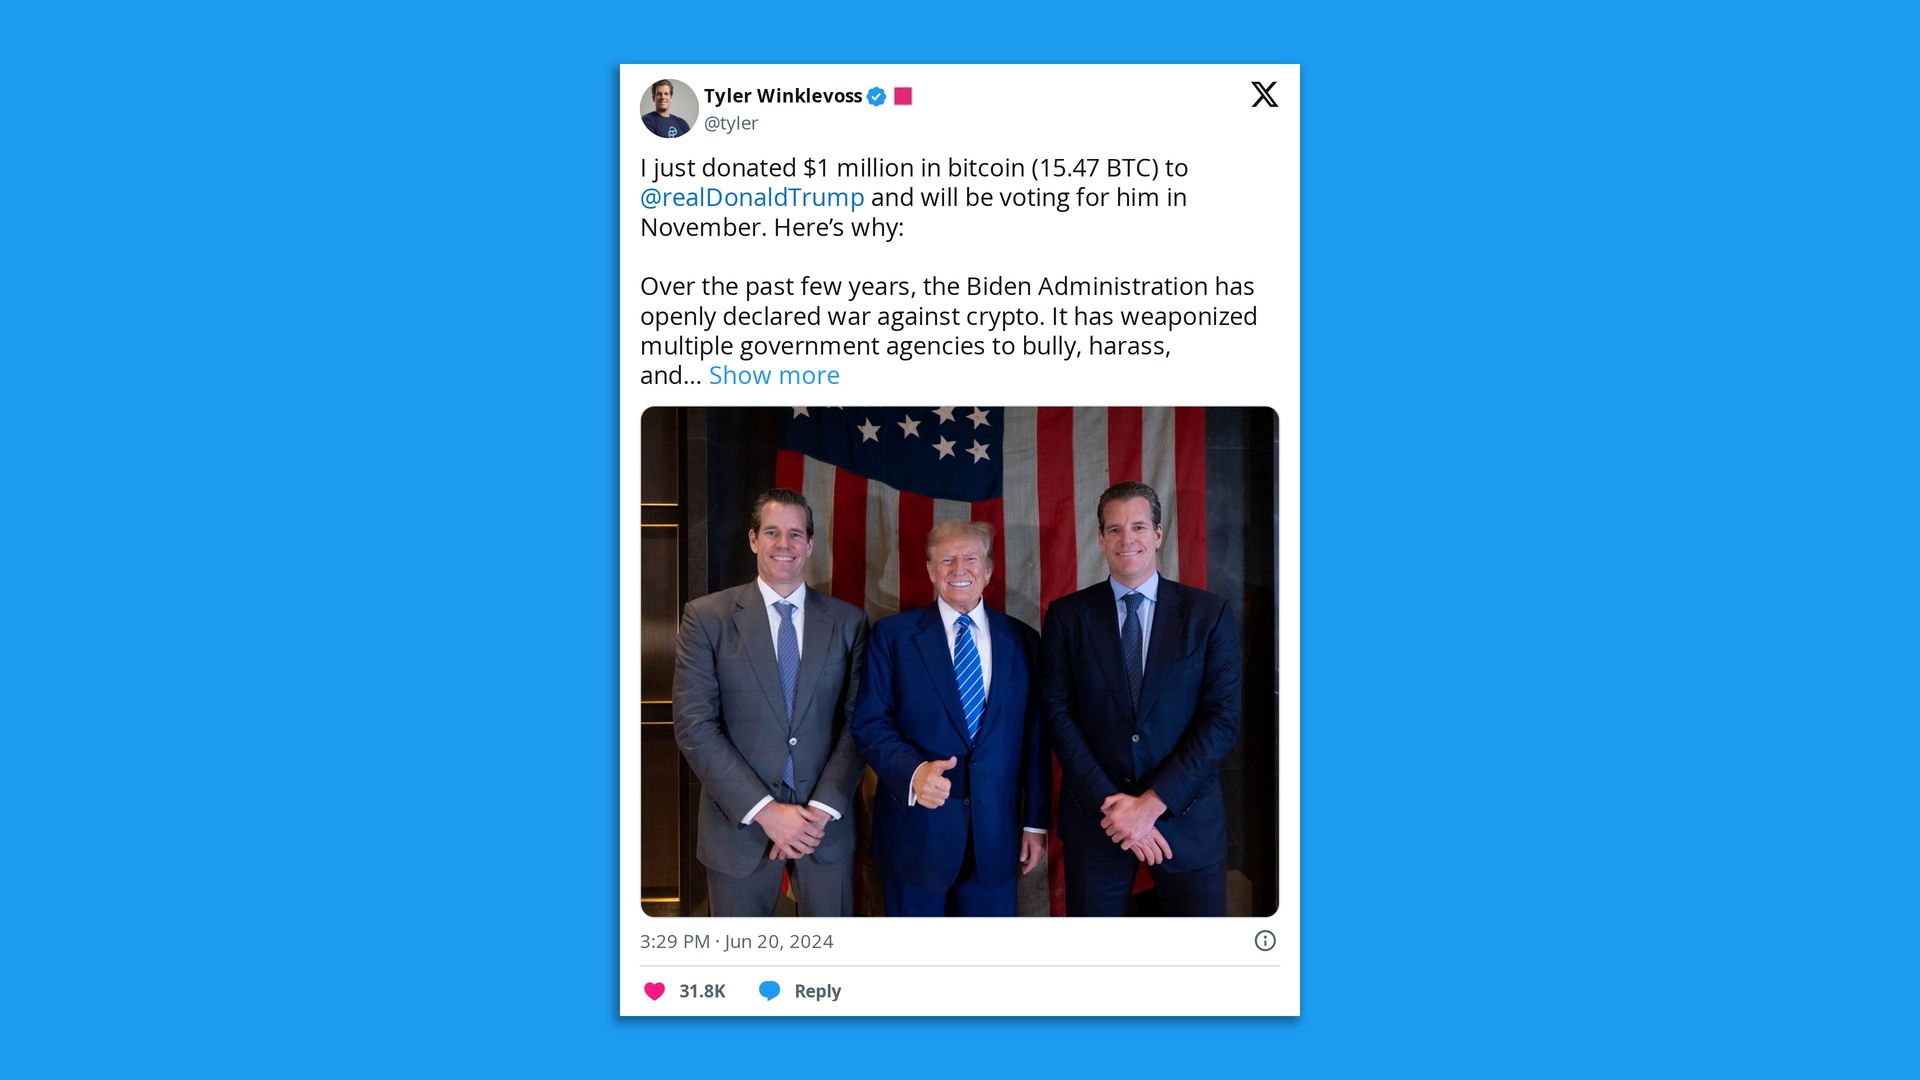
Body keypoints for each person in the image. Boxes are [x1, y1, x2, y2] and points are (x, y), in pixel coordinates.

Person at [1040, 481, 1242, 915]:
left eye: (1137, 526)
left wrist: (1151, 804)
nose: (1125, 539)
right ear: (1099, 538)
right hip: (1100, 821)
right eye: (1113, 529)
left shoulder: (1208, 614)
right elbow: (1058, 715)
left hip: (1185, 817)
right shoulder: (1067, 615)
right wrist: (1117, 809)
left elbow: (1222, 719)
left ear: (1158, 533)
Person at [672, 488, 867, 915]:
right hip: (738, 826)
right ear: (753, 539)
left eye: (796, 534)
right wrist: (765, 811)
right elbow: (694, 725)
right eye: (773, 532)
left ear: (810, 544)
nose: (784, 545)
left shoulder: (849, 622)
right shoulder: (707, 618)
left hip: (824, 828)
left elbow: (859, 722)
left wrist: (821, 807)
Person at [852, 522, 1048, 916]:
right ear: (930, 570)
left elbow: (1035, 739)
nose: (960, 568)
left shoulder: (1024, 641)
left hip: (995, 841)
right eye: (947, 559)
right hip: (915, 839)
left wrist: (1035, 823)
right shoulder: (892, 636)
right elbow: (869, 723)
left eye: (971, 558)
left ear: (989, 570)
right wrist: (914, 772)